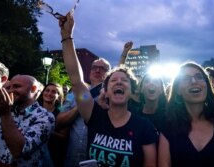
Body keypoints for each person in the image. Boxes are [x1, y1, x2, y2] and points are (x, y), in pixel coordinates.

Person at [59, 12, 158, 166]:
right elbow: (76, 80)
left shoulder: (145, 127)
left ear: (132, 91)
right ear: (105, 90)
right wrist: (67, 36)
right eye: (113, 81)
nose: (119, 83)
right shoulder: (93, 115)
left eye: (124, 81)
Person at [158, 62, 214, 167]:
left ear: (207, 86)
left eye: (199, 77)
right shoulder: (168, 125)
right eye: (186, 78)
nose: (194, 81)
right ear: (178, 90)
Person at [0, 75, 55, 166]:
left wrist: (5, 114)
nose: (10, 90)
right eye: (9, 87)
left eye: (17, 86)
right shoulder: (8, 110)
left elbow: (19, 151)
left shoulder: (45, 117)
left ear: (33, 89)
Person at [38, 82, 68, 167]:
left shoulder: (61, 114)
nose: (49, 93)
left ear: (59, 96)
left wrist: (47, 130)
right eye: (47, 90)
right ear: (43, 92)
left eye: (54, 92)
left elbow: (64, 136)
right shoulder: (33, 109)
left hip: (52, 153)